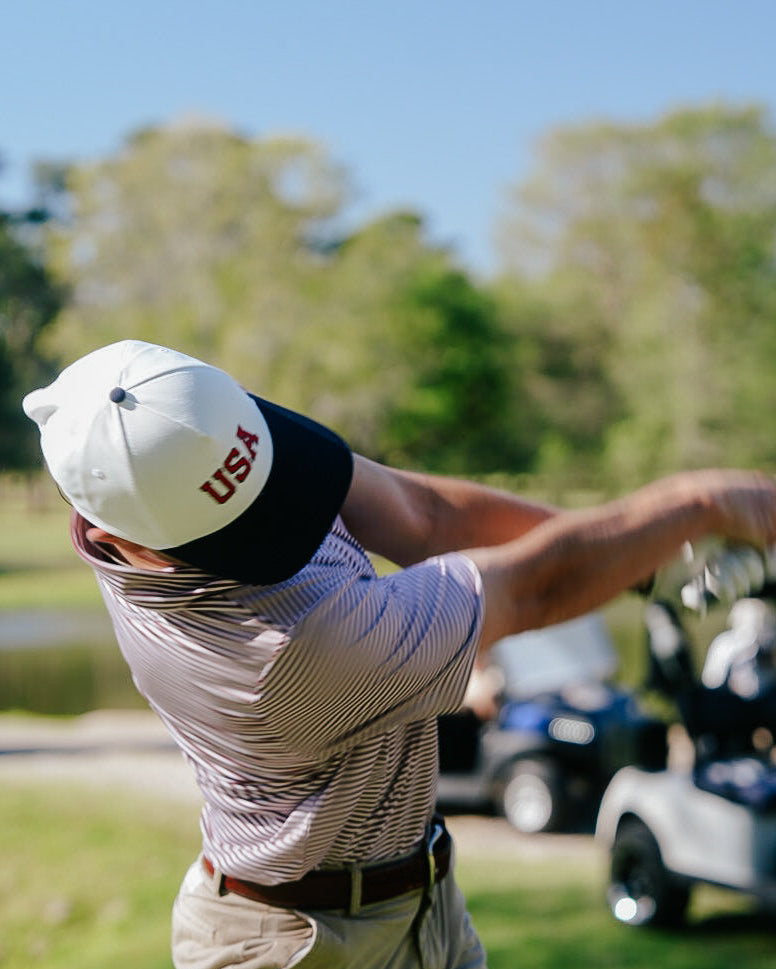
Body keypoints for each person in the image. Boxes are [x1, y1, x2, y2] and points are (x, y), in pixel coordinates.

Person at [22, 339, 776, 969]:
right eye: (243, 524)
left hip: (424, 900)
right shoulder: (280, 656)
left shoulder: (171, 437)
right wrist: (697, 506)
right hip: (301, 946)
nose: (276, 506)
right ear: (124, 539)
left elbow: (424, 514)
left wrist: (648, 564)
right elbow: (533, 590)